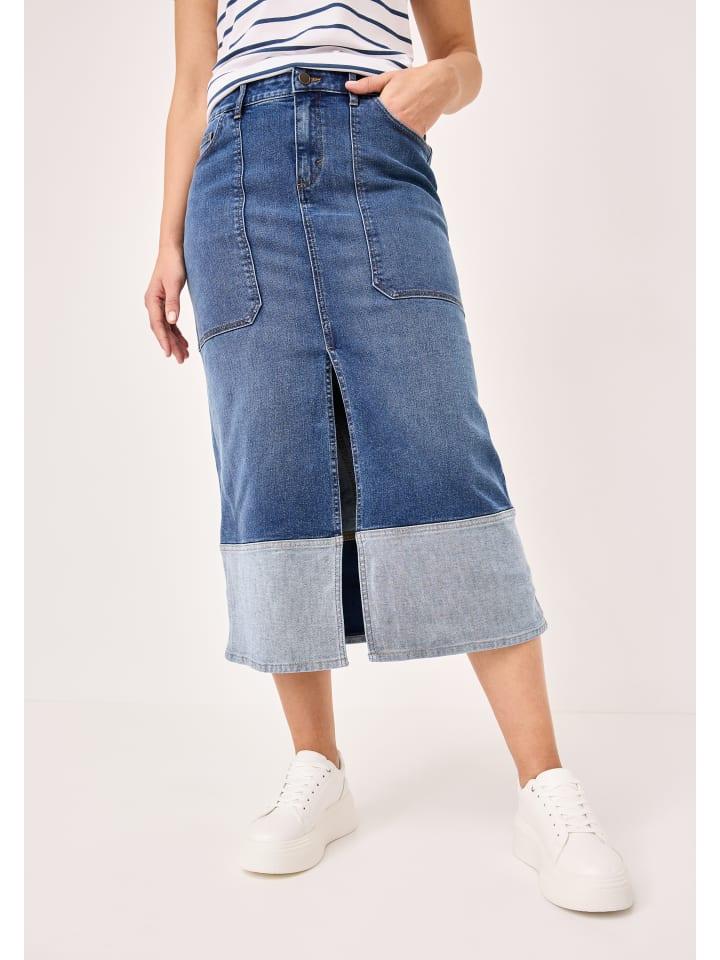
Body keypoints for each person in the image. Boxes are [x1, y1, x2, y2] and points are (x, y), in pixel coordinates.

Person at [145, 0, 632, 911]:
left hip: (374, 158)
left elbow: (462, 55)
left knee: (441, 450)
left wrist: (437, 85)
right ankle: (318, 766)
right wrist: (167, 239)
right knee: (270, 465)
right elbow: (190, 81)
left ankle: (545, 786)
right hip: (233, 181)